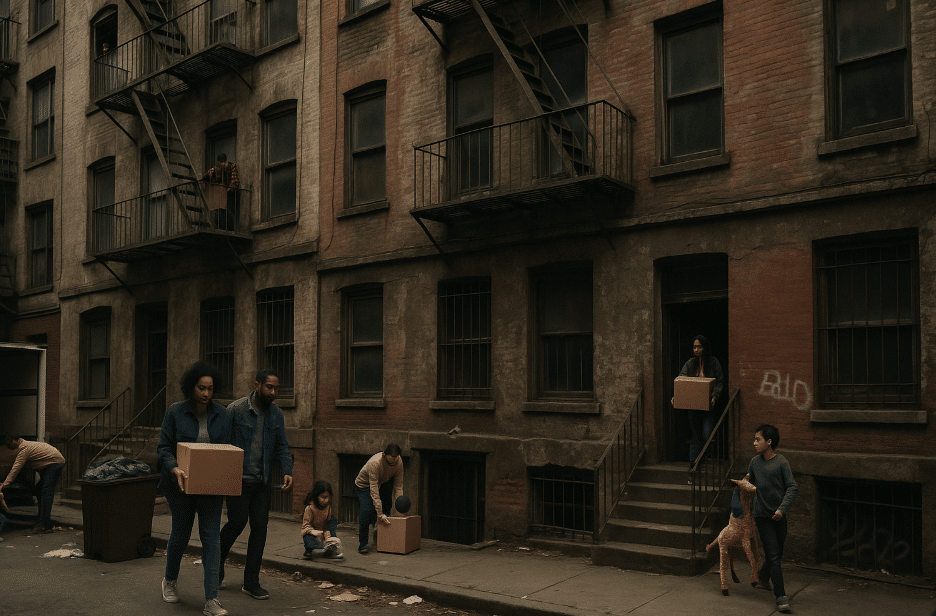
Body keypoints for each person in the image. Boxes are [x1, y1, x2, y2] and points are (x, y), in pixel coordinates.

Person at [156, 361, 232, 616]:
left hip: (211, 485)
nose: (206, 393)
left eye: (210, 389)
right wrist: (173, 468)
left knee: (211, 539)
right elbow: (164, 447)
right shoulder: (175, 412)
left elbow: (227, 450)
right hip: (180, 485)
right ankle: (169, 580)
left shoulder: (222, 414)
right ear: (191, 387)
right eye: (201, 388)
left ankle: (211, 600)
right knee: (181, 533)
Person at [219, 369, 293, 600]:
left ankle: (251, 582)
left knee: (260, 530)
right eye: (269, 387)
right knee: (237, 523)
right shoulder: (236, 409)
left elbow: (282, 445)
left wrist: (287, 470)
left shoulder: (276, 414)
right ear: (257, 385)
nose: (273, 392)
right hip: (238, 481)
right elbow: (222, 443)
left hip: (262, 482)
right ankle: (215, 564)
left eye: (277, 389)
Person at [747, 424, 798, 614]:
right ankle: (781, 597)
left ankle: (763, 575)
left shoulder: (782, 462)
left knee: (776, 553)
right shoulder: (754, 462)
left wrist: (782, 509)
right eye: (754, 439)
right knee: (774, 555)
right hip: (762, 516)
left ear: (769, 442)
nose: (754, 443)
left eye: (757, 439)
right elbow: (750, 484)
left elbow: (792, 487)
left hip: (779, 515)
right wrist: (743, 484)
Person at [673, 334, 724, 468]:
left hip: (707, 406)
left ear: (704, 347)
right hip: (693, 406)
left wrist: (715, 396)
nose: (696, 350)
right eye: (694, 347)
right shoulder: (690, 363)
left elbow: (719, 382)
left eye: (699, 347)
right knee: (695, 434)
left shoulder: (713, 362)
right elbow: (681, 380)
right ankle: (693, 463)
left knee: (707, 434)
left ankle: (703, 458)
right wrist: (676, 396)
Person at [0, 434, 65, 534]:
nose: (9, 447)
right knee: (39, 490)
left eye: (9, 444)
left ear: (14, 440)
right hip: (51, 463)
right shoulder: (24, 447)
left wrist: (4, 485)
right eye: (6, 446)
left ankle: (43, 524)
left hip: (53, 463)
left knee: (46, 492)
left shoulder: (24, 449)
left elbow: (15, 469)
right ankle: (43, 519)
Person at [354, 443, 404, 554]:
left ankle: (381, 535)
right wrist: (380, 514)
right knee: (367, 511)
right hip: (364, 486)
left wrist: (399, 508)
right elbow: (374, 491)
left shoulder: (399, 461)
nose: (394, 461)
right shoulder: (375, 463)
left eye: (396, 458)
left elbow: (398, 485)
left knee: (387, 505)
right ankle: (363, 544)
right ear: (384, 455)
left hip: (382, 482)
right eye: (392, 458)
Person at [300, 480, 343, 560]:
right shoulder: (309, 508)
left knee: (333, 520)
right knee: (307, 537)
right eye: (323, 497)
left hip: (323, 534)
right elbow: (305, 527)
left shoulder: (328, 507)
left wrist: (327, 532)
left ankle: (331, 547)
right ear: (316, 496)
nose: (326, 500)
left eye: (327, 497)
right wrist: (313, 532)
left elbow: (328, 522)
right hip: (313, 535)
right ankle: (309, 550)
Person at [201, 153, 240, 231]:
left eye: (224, 162)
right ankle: (220, 228)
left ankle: (229, 229)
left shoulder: (231, 167)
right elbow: (204, 180)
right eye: (221, 162)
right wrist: (207, 189)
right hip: (218, 197)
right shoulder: (213, 171)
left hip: (229, 195)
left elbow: (235, 182)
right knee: (219, 213)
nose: (223, 164)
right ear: (218, 162)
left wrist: (228, 189)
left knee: (229, 213)